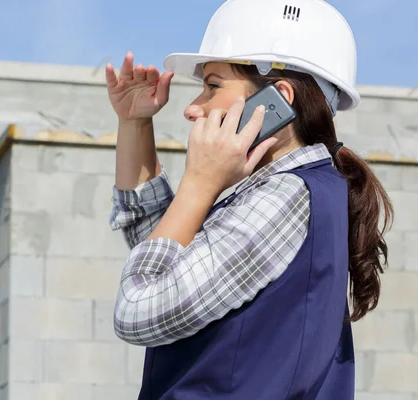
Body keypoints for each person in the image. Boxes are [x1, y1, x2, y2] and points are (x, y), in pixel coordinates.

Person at [105, 0, 394, 399]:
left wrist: (200, 182)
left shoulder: (284, 197)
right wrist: (135, 124)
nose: (192, 108)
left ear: (278, 101)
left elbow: (138, 309)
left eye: (213, 86)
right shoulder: (292, 190)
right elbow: (162, 253)